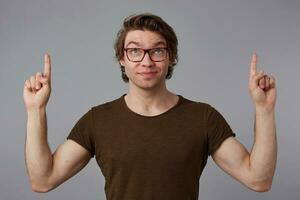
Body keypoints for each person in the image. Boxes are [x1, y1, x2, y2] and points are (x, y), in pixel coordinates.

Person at [23, 13, 277, 199]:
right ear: (122, 59)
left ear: (171, 57)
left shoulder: (202, 117)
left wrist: (264, 110)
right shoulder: (97, 120)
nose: (146, 61)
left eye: (157, 51)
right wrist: (36, 111)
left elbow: (259, 179)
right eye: (135, 51)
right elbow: (43, 180)